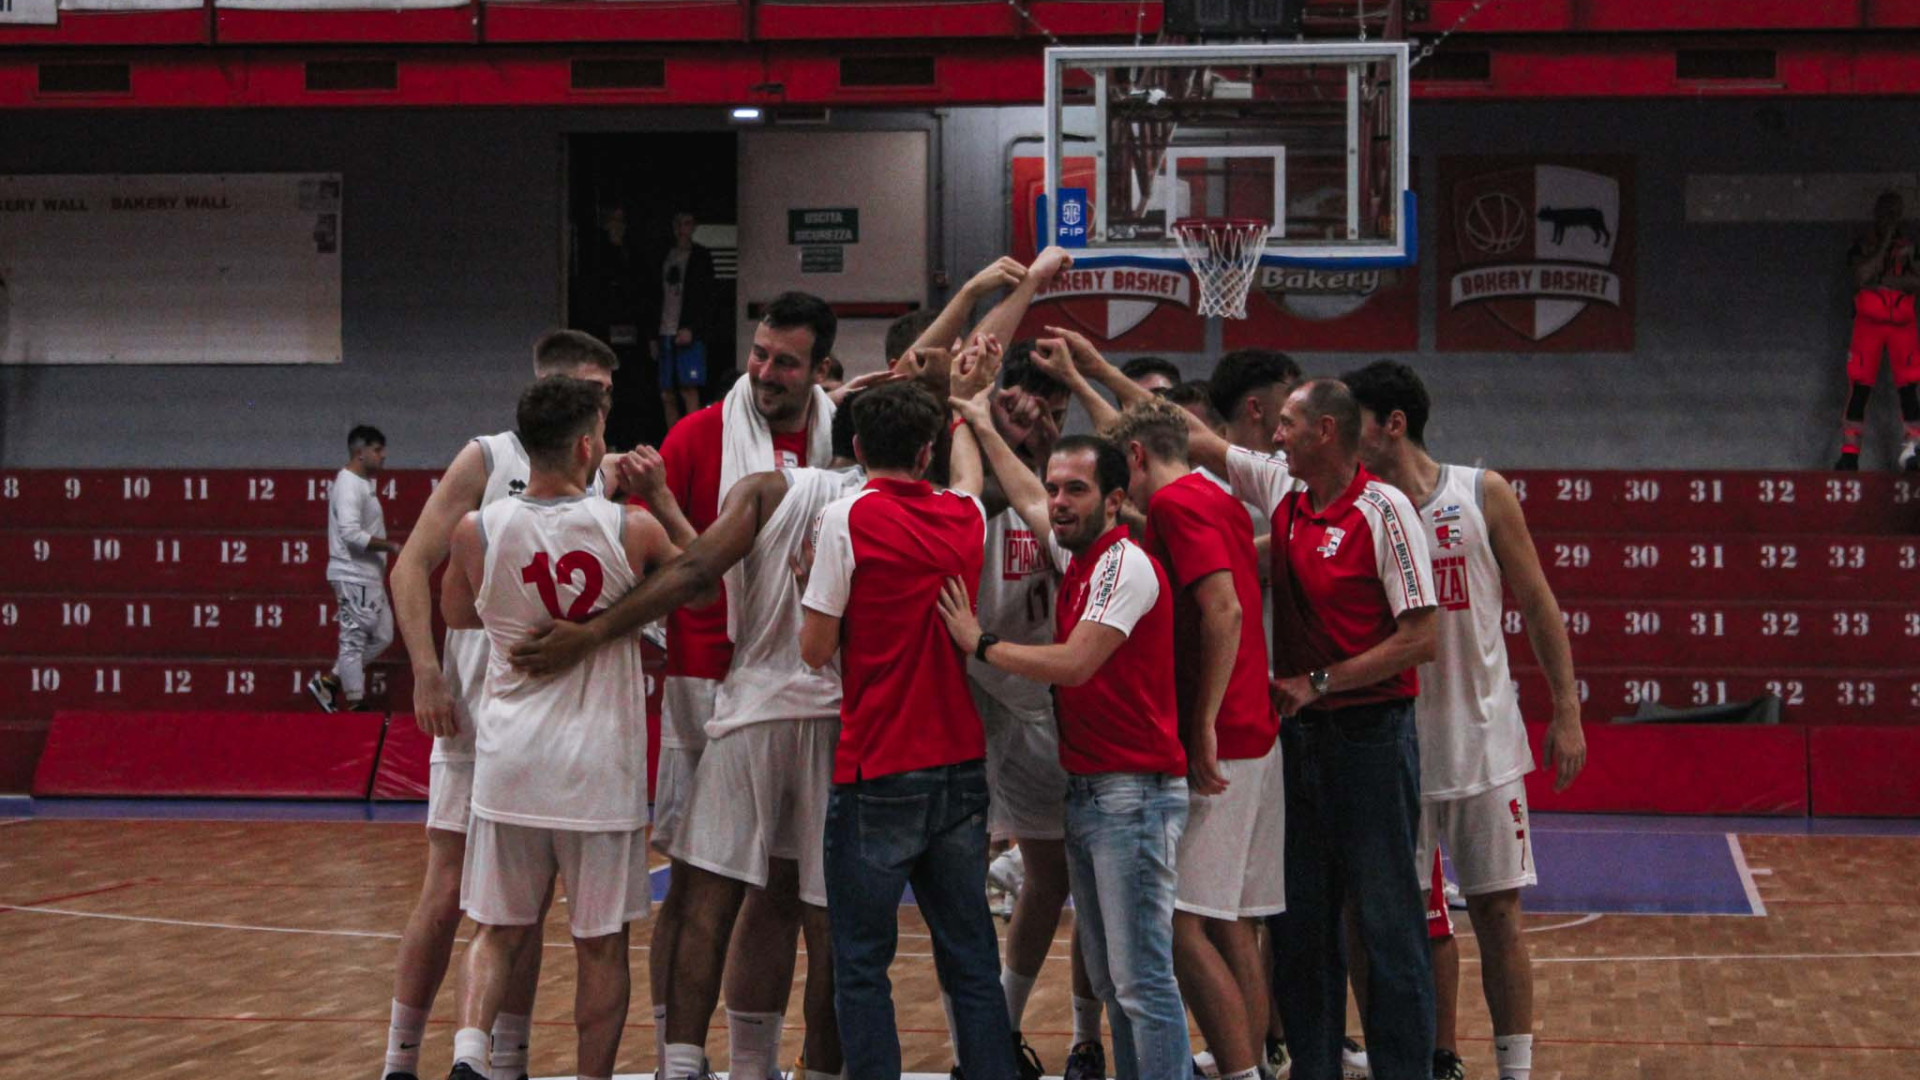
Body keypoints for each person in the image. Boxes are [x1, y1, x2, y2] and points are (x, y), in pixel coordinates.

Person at [380, 330, 658, 1080]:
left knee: (510, 916)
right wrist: (427, 672)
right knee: (453, 897)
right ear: (556, 394)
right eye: (595, 394)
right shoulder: (489, 457)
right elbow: (411, 567)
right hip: (477, 711)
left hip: (529, 719)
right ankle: (400, 1059)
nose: (605, 408)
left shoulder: (592, 484)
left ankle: (503, 1060)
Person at [1184, 377, 1439, 1080]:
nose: (1274, 436)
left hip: (1371, 738)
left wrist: (1319, 681)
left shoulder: (1386, 511)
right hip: (1298, 742)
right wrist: (1087, 367)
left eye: (1289, 424)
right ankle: (1313, 1068)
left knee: (1386, 924)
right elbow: (1194, 441)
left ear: (1326, 431)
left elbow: (1422, 638)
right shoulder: (1286, 493)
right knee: (1300, 926)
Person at [1342, 361, 1588, 1080]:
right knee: (1389, 924)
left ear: (1393, 423)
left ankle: (1515, 1070)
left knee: (1499, 916)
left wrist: (1567, 713)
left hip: (1484, 742)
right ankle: (1417, 1060)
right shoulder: (1360, 507)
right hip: (1393, 745)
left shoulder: (1481, 492)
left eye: (1356, 419)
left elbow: (1540, 605)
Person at [439, 376, 682, 1080]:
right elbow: (704, 576)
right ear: (586, 445)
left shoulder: (477, 528)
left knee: (495, 931)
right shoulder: (629, 528)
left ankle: (468, 1054)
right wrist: (659, 496)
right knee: (600, 945)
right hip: (596, 767)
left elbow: (457, 615)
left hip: (510, 755)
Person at [938, 401, 1189, 1080]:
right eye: (1054, 489)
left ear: (1114, 500)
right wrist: (976, 416)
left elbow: (1077, 662)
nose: (1055, 502)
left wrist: (982, 644)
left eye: (1074, 489)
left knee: (1141, 984)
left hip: (1132, 796)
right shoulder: (1078, 554)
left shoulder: (1122, 565)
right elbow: (1020, 491)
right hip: (1093, 791)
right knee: (1114, 984)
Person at [799, 380, 1015, 1080]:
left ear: (858, 449)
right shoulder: (964, 516)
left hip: (878, 766)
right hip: (959, 765)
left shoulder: (846, 518)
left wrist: (814, 584)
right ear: (926, 452)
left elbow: (812, 647)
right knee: (973, 960)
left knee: (862, 965)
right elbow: (969, 475)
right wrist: (968, 409)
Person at [648, 290, 840, 1073]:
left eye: (785, 361)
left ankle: (753, 1061)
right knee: (697, 885)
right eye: (759, 354)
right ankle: (675, 1053)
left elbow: (921, 366)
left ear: (821, 370)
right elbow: (685, 564)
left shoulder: (846, 433)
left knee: (789, 895)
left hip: (806, 688)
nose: (764, 370)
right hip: (709, 683)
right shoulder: (697, 436)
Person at [1102, 398, 1283, 1080]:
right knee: (1230, 919)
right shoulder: (1219, 503)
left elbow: (1226, 609)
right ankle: (1253, 1063)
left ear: (1140, 457)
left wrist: (1201, 722)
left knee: (1180, 924)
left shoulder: (1180, 509)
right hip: (1254, 732)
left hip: (1225, 735)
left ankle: (1238, 1072)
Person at [310, 424, 397, 713]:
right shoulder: (348, 484)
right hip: (352, 575)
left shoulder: (363, 485)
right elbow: (349, 533)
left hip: (369, 576)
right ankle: (355, 704)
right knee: (353, 640)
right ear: (360, 453)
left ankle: (330, 681)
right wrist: (390, 546)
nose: (384, 456)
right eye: (377, 450)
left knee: (383, 635)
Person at [1838, 191, 1920, 471]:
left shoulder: (1910, 246)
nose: (1891, 217)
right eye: (1886, 211)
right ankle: (1849, 453)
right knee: (1860, 388)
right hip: (1869, 323)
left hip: (1902, 324)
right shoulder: (1863, 242)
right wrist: (1885, 244)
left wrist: (1883, 280)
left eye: (1896, 212)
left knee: (1909, 388)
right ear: (1876, 213)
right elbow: (1860, 275)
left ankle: (1913, 450)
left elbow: (1917, 280)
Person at [651, 210, 720, 426]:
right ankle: (674, 442)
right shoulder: (663, 255)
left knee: (689, 388)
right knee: (666, 392)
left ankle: (692, 441)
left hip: (689, 331)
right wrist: (652, 335)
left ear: (694, 227)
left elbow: (707, 298)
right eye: (679, 223)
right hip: (664, 329)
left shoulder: (701, 257)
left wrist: (694, 329)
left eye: (688, 223)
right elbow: (651, 296)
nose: (683, 229)